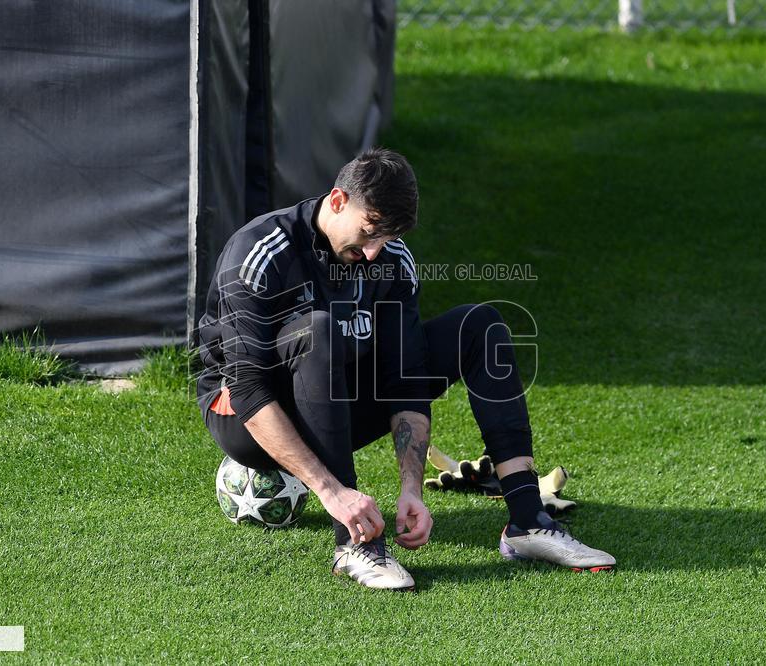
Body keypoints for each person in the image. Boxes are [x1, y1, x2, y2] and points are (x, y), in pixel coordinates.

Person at [196, 148, 615, 591]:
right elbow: (247, 390)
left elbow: (406, 381)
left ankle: (528, 520)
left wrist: (411, 489)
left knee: (481, 325)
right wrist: (333, 494)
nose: (376, 251)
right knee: (318, 332)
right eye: (370, 231)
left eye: (388, 236)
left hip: (339, 398)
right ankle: (354, 545)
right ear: (338, 201)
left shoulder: (392, 259)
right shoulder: (261, 253)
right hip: (245, 417)